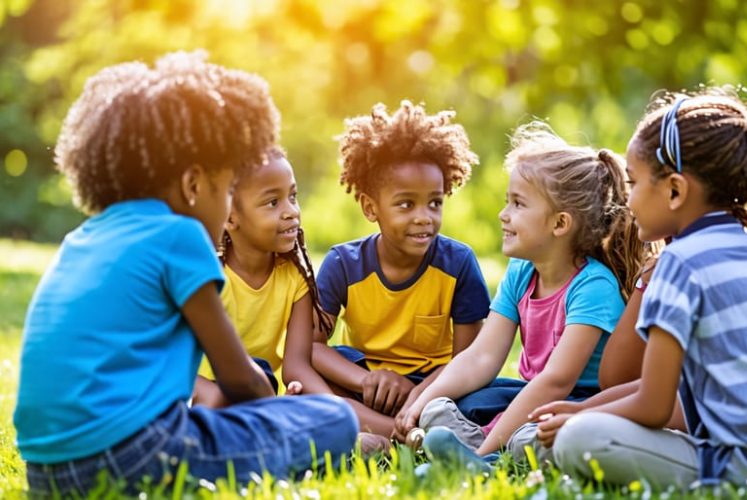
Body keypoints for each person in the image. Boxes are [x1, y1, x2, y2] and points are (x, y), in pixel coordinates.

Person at [14, 51, 358, 496]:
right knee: (335, 419)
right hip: (133, 458)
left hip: (46, 470)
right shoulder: (179, 236)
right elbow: (237, 377)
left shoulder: (84, 237)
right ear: (194, 185)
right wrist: (276, 412)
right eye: (229, 188)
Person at [535, 89, 747, 492]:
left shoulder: (681, 263)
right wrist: (584, 406)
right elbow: (681, 383)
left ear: (675, 190)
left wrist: (578, 420)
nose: (627, 201)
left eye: (633, 182)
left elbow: (653, 404)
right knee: (575, 426)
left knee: (579, 440)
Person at [398, 121, 644, 468]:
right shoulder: (522, 272)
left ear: (560, 224)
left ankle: (487, 456)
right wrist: (422, 401)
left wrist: (483, 451)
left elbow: (556, 383)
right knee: (463, 402)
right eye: (506, 201)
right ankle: (481, 443)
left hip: (579, 403)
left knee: (539, 433)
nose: (503, 215)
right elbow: (481, 357)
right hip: (532, 395)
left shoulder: (594, 287)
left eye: (518, 204)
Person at [313, 101, 491, 439]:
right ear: (370, 207)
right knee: (311, 383)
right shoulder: (343, 264)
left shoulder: (459, 264)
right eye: (406, 204)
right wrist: (366, 379)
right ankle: (399, 433)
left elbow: (468, 359)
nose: (424, 216)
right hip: (365, 386)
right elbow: (311, 346)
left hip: (436, 385)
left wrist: (420, 393)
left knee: (484, 396)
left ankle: (385, 430)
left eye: (435, 202)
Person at [192, 148, 331, 404]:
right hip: (201, 395)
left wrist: (340, 412)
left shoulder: (294, 275)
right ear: (230, 217)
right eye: (272, 202)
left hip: (262, 389)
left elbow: (297, 367)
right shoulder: (207, 276)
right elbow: (173, 363)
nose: (291, 211)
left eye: (293, 196)